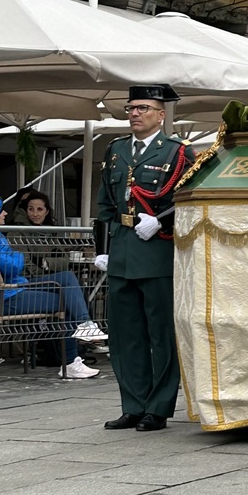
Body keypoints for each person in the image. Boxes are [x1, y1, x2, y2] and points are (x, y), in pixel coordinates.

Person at [96, 84, 194, 432]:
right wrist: (102, 251)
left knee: (160, 334)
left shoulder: (179, 152)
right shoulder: (115, 150)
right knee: (125, 335)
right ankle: (133, 405)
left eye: (142, 108)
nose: (134, 114)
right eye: (130, 108)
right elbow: (104, 207)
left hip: (157, 251)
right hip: (123, 250)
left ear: (160, 114)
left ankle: (159, 406)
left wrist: (160, 221)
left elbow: (189, 199)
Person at [0, 195, 100, 379]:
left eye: (40, 209)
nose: (5, 213)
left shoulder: (0, 234)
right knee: (67, 299)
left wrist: (31, 261)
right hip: (6, 293)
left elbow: (62, 259)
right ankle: (71, 359)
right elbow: (14, 264)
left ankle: (85, 326)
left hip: (18, 285)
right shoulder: (7, 234)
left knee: (67, 279)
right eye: (1, 209)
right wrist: (21, 259)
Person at [18, 190, 108, 345]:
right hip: (28, 280)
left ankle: (82, 342)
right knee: (67, 278)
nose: (35, 213)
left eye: (39, 209)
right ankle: (85, 326)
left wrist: (46, 264)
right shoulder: (20, 232)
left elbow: (64, 260)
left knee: (77, 284)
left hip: (47, 278)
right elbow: (26, 266)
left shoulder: (50, 232)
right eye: (31, 209)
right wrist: (47, 268)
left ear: (46, 211)